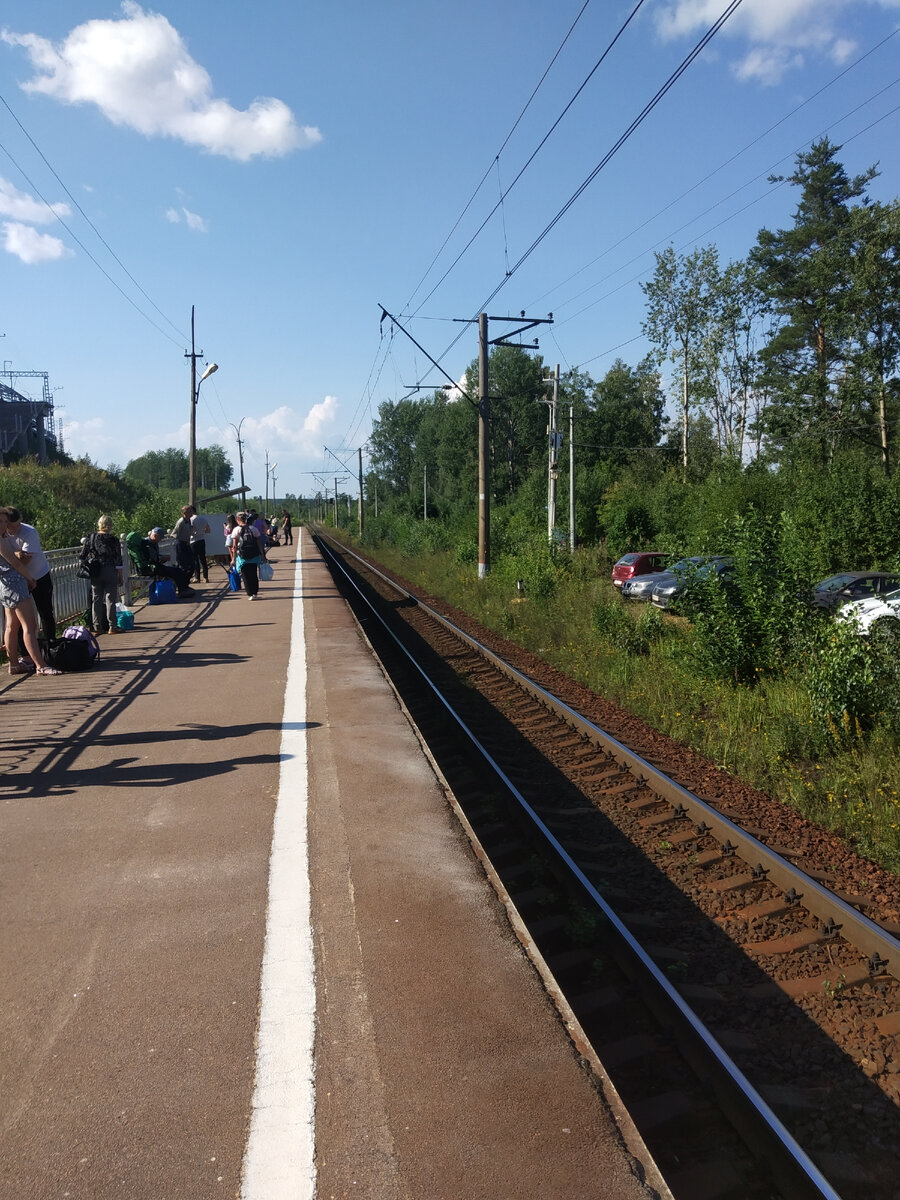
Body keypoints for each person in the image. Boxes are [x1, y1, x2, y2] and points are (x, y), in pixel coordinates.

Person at [0, 508, 58, 674]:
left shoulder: (10, 536)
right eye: (1, 522)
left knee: (11, 626)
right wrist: (30, 579)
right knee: (30, 626)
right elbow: (16, 563)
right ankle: (41, 665)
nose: (4, 525)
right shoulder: (1, 540)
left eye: (5, 521)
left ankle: (14, 665)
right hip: (16, 583)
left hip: (6, 585)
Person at [80, 514, 122, 635]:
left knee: (96, 599)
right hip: (110, 569)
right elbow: (118, 559)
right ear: (110, 525)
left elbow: (82, 555)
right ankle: (112, 626)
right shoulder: (114, 539)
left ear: (99, 524)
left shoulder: (91, 537)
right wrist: (120, 575)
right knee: (110, 599)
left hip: (96, 570)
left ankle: (97, 627)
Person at [144, 528, 194, 596]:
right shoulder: (147, 544)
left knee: (178, 570)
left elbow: (155, 556)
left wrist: (162, 557)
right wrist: (162, 558)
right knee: (176, 571)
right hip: (152, 568)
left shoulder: (153, 542)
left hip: (155, 566)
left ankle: (184, 588)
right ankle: (182, 590)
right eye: (160, 538)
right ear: (155, 536)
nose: (160, 540)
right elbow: (152, 558)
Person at [233, 511, 267, 600]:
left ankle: (250, 593)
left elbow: (234, 546)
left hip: (242, 557)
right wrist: (262, 555)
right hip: (254, 556)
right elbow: (259, 543)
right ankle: (255, 593)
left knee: (245, 576)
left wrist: (233, 559)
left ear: (238, 519)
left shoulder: (236, 530)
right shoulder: (253, 529)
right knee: (253, 575)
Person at [172, 505, 195, 577]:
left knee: (192, 563)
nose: (192, 512)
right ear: (185, 513)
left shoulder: (189, 520)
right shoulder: (181, 522)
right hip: (180, 543)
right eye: (190, 511)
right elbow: (174, 533)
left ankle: (186, 579)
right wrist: (179, 540)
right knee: (182, 564)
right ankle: (182, 580)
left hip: (186, 543)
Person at [189, 509, 211, 583]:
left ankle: (197, 577)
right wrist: (201, 532)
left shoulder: (191, 519)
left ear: (191, 511)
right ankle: (206, 577)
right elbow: (208, 530)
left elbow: (190, 531)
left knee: (195, 560)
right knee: (203, 559)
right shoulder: (203, 519)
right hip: (202, 540)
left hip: (193, 541)